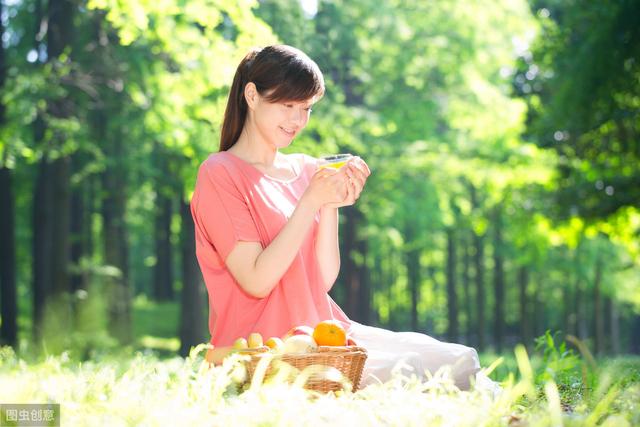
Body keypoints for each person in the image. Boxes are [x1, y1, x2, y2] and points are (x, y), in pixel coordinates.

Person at [191, 45, 483, 390]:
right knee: (413, 370)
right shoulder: (220, 173)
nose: (298, 120)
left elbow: (322, 279)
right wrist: (311, 200)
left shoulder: (306, 169)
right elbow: (256, 280)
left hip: (326, 334)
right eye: (288, 105)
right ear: (252, 95)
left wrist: (330, 204)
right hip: (266, 348)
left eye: (307, 108)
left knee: (463, 360)